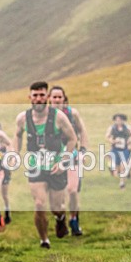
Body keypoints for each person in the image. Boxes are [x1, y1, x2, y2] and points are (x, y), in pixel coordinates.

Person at [15, 82, 77, 249]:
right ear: (30, 97)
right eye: (35, 95)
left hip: (56, 167)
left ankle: (60, 218)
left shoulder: (58, 117)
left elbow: (72, 139)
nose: (38, 98)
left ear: (47, 97)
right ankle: (44, 240)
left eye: (42, 95)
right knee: (39, 204)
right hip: (36, 167)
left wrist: (64, 162)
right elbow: (17, 135)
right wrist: (14, 153)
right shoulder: (22, 118)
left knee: (57, 207)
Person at [49, 85, 89, 236]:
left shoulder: (73, 114)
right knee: (57, 196)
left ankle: (74, 219)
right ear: (49, 99)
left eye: (60, 97)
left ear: (64, 98)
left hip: (72, 156)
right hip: (53, 158)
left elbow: (82, 131)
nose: (57, 100)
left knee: (72, 190)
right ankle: (61, 219)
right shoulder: (45, 116)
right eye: (54, 97)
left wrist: (83, 151)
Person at [0, 121, 14, 224]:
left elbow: (10, 154)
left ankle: (7, 212)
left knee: (4, 194)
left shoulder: (5, 144)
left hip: (5, 170)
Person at [106, 113, 131, 189]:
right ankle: (116, 171)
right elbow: (107, 137)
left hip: (124, 149)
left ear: (123, 120)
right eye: (117, 120)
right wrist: (113, 141)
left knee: (123, 165)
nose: (118, 121)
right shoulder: (112, 128)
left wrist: (129, 141)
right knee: (117, 167)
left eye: (120, 120)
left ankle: (122, 182)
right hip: (115, 149)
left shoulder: (127, 127)